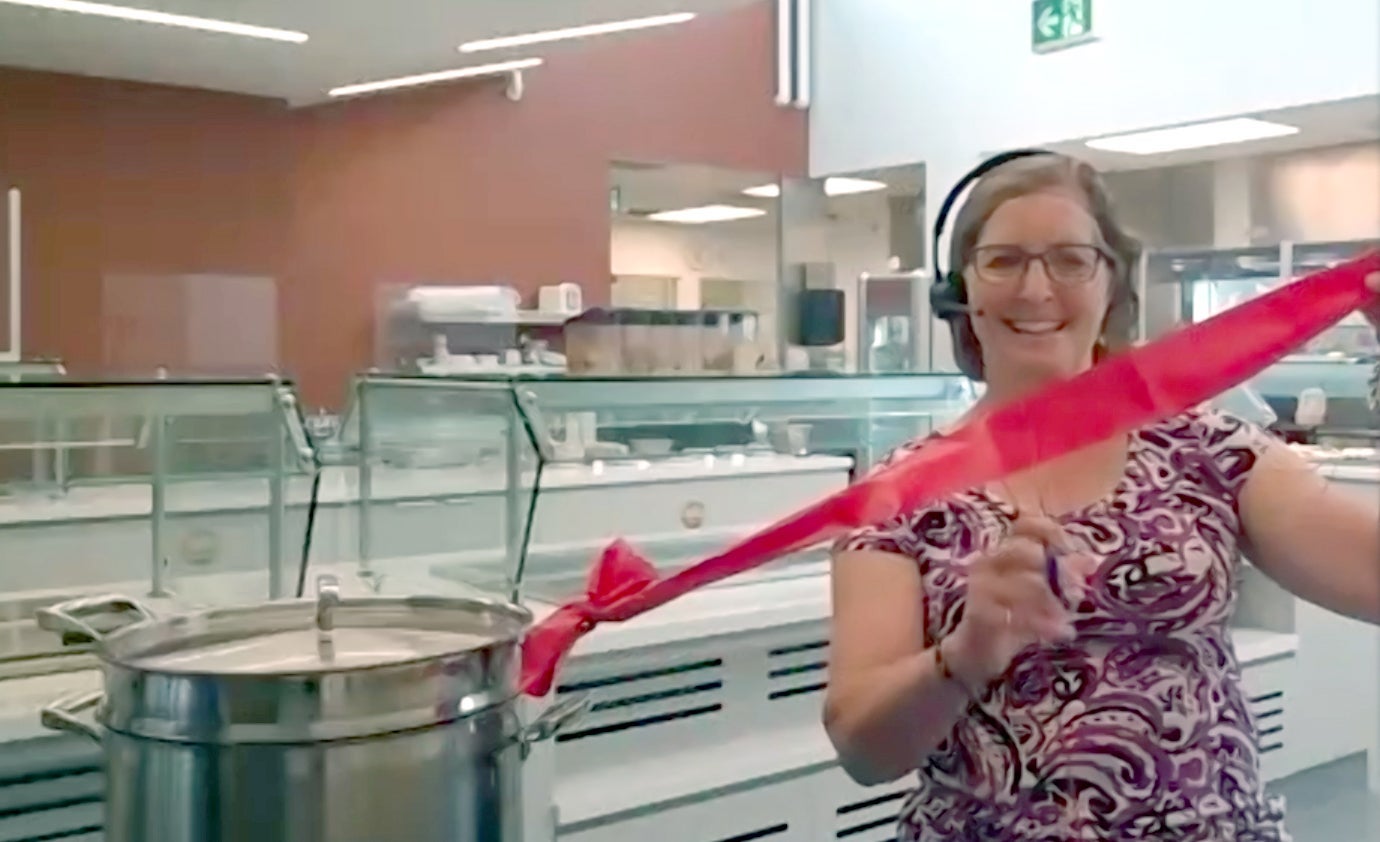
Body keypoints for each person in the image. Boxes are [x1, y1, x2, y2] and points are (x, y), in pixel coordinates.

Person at [823, 152, 1380, 841]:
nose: (1035, 289)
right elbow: (862, 749)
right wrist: (965, 652)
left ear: (1111, 282)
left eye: (1069, 260)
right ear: (959, 290)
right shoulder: (901, 497)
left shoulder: (1208, 452)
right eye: (1003, 261)